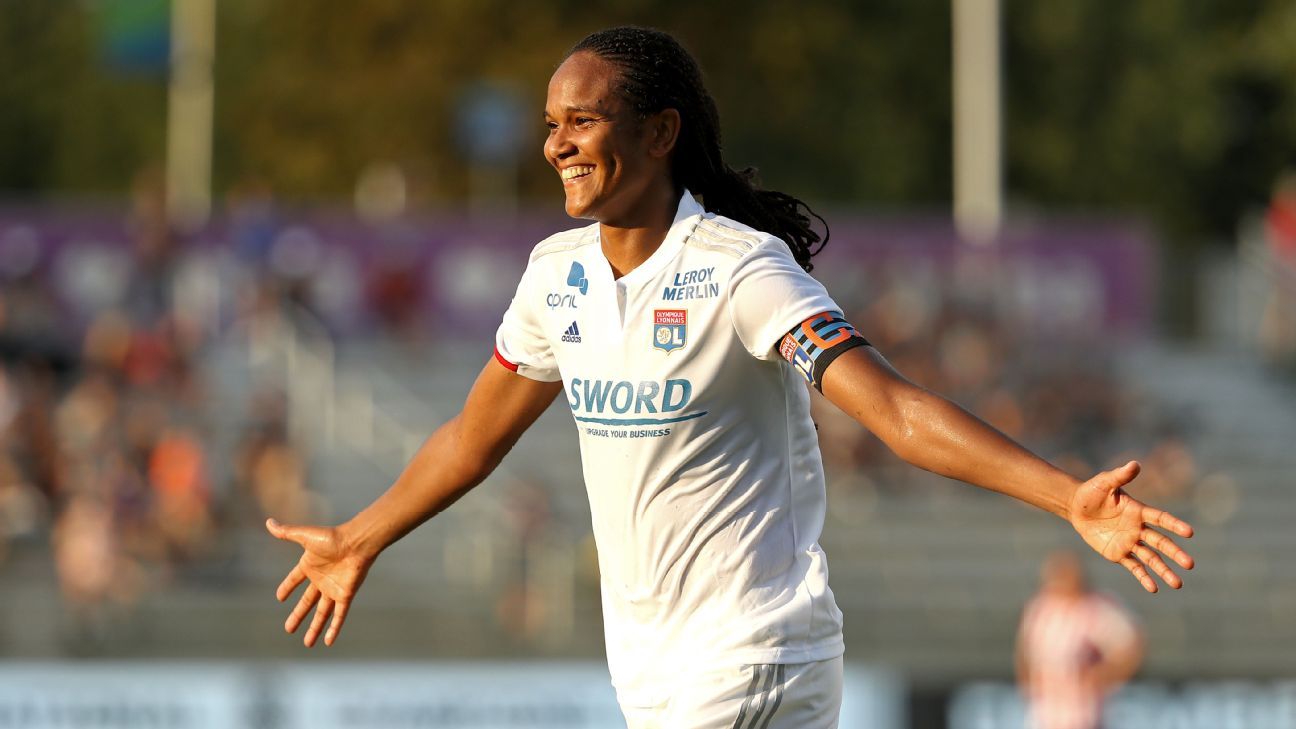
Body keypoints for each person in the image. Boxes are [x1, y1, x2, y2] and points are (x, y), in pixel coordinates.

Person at [267, 26, 1195, 728]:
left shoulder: (741, 269)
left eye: (581, 120)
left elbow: (896, 410)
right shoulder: (557, 274)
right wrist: (359, 536)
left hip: (754, 652)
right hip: (655, 671)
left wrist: (1066, 496)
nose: (556, 144)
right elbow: (472, 438)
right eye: (551, 124)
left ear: (661, 129)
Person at [1016, 551, 1144, 729]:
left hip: (1085, 715)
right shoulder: (1040, 608)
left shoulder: (1095, 608)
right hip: (1044, 715)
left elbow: (1131, 645)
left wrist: (1105, 675)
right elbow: (1025, 653)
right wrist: (1029, 686)